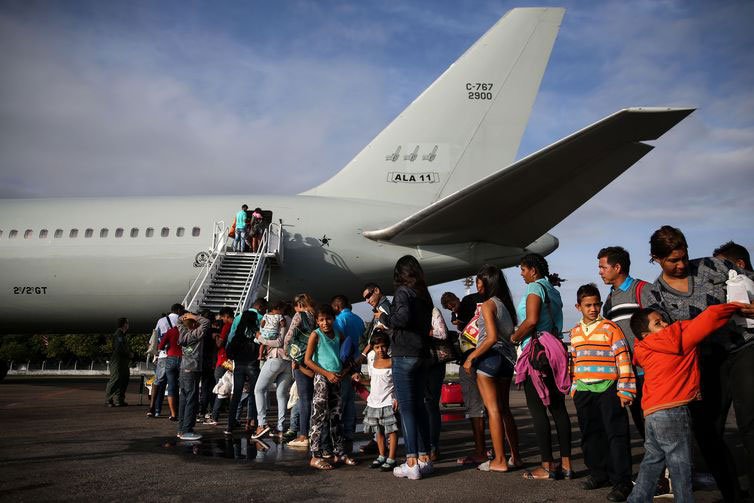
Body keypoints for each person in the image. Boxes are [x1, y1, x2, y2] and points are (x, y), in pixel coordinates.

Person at [645, 225, 754, 502]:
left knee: (750, 422)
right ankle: (733, 494)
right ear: (656, 258)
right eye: (673, 260)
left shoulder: (712, 266)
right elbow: (668, 339)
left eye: (684, 257)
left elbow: (751, 280)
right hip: (703, 364)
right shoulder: (654, 295)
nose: (682, 265)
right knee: (707, 432)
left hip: (743, 349)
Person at [628, 302, 749, 503]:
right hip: (673, 411)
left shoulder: (643, 348)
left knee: (652, 461)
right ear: (646, 334)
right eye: (658, 323)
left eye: (663, 320)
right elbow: (710, 316)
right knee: (680, 467)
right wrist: (736, 305)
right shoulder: (677, 339)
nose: (666, 325)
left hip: (651, 413)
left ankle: (637, 499)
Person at [569, 283, 635, 501]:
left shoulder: (610, 328)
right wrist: (575, 386)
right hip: (585, 391)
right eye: (588, 305)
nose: (593, 309)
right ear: (578, 306)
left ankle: (622, 482)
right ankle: (598, 474)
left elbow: (623, 357)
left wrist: (626, 388)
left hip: (608, 389)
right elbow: (575, 361)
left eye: (596, 304)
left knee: (615, 435)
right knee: (590, 435)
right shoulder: (575, 332)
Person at [510, 253, 572, 481]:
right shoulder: (553, 291)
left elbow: (532, 320)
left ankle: (547, 465)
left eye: (523, 269)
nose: (521, 274)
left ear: (533, 270)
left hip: (537, 354)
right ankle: (566, 465)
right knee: (559, 410)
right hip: (555, 350)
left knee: (538, 412)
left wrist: (515, 336)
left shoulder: (535, 287)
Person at [462, 265, 522, 473]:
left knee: (493, 410)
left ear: (488, 283)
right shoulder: (506, 306)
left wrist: (471, 357)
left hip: (489, 359)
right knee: (505, 409)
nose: (478, 286)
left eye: (480, 282)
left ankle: (499, 460)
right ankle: (515, 456)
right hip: (506, 360)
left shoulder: (488, 305)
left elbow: (492, 337)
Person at [378, 255, 434, 480]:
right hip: (421, 353)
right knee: (420, 407)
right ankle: (424, 458)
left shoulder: (402, 292)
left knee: (407, 409)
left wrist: (385, 316)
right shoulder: (424, 294)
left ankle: (411, 461)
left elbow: (401, 318)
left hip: (404, 354)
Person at [598, 246, 652, 438]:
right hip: (628, 373)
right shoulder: (609, 301)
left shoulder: (643, 289)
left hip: (650, 370)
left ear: (617, 267)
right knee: (641, 422)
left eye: (603, 267)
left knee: (656, 420)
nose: (600, 272)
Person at [304, 304, 357, 469]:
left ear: (334, 319)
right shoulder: (315, 335)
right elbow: (307, 360)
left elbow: (343, 357)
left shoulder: (338, 334)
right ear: (317, 322)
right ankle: (315, 455)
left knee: (336, 417)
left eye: (328, 319)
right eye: (321, 320)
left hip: (337, 378)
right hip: (322, 378)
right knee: (318, 416)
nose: (325, 322)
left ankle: (339, 453)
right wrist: (326, 374)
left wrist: (345, 371)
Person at [441, 291, 488, 466]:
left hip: (471, 357)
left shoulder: (469, 302)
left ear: (456, 298)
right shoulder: (490, 304)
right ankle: (496, 450)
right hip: (485, 355)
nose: (452, 308)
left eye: (452, 304)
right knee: (492, 406)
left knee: (475, 406)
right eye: (449, 307)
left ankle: (481, 451)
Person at [354, 332, 398, 471]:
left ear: (388, 347)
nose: (380, 350)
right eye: (377, 347)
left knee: (391, 431)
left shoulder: (393, 362)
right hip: (373, 402)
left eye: (383, 346)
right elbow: (372, 381)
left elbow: (397, 382)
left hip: (387, 402)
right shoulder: (372, 362)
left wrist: (396, 397)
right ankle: (381, 455)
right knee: (378, 431)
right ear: (373, 348)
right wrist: (361, 380)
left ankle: (391, 458)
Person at [253, 301, 293, 440]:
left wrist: (260, 338)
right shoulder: (291, 320)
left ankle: (262, 424)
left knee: (258, 389)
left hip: (275, 357)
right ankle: (281, 426)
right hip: (288, 361)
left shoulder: (279, 320)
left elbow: (278, 342)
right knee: (281, 394)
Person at [331, 294, 365, 452]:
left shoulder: (339, 320)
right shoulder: (358, 319)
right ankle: (350, 432)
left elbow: (337, 340)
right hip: (357, 362)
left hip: (344, 364)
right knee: (351, 400)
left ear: (337, 306)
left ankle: (341, 433)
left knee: (341, 400)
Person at [284, 293, 317, 449]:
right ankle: (312, 431)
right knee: (311, 398)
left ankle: (304, 435)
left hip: (300, 360)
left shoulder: (299, 315)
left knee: (304, 398)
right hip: (314, 360)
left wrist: (288, 353)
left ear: (298, 305)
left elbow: (288, 337)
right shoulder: (315, 316)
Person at [225, 309, 261, 436]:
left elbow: (229, 351)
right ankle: (252, 422)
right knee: (254, 394)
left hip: (239, 365)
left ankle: (230, 424)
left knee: (236, 395)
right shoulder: (256, 333)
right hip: (253, 365)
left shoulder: (238, 334)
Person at [176, 311, 209, 441]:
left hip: (183, 368)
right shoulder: (195, 334)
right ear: (194, 324)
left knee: (184, 398)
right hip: (192, 368)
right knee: (191, 400)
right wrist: (193, 316)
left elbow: (179, 322)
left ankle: (181, 429)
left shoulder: (182, 333)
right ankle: (187, 430)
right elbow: (206, 323)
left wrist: (185, 317)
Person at [147, 304, 183, 417]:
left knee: (158, 382)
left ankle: (153, 409)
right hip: (177, 355)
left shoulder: (161, 320)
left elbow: (155, 336)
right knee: (174, 384)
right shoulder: (182, 320)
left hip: (163, 355)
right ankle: (175, 411)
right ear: (178, 310)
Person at [205, 307, 234, 426]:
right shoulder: (236, 324)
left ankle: (214, 416)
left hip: (223, 361)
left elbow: (219, 343)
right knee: (232, 388)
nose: (221, 320)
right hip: (232, 361)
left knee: (220, 388)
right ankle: (233, 416)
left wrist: (216, 336)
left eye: (222, 317)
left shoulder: (226, 326)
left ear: (226, 316)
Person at [157, 317, 182, 422]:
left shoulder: (170, 331)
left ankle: (173, 414)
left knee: (171, 387)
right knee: (183, 387)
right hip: (183, 359)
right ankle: (182, 411)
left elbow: (160, 346)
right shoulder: (187, 332)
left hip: (170, 358)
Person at [105, 317, 132, 407]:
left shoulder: (123, 335)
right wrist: (129, 354)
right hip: (117, 360)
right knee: (115, 379)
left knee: (124, 379)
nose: (128, 325)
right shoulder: (118, 335)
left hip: (123, 360)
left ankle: (119, 400)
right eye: (127, 323)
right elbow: (119, 348)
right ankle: (108, 400)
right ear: (124, 324)